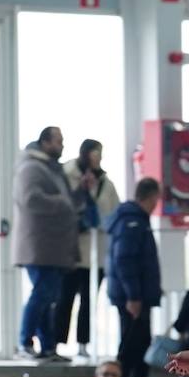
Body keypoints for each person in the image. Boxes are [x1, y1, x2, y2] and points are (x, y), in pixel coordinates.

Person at [12, 126, 86, 359]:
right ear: (45, 142)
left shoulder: (54, 170)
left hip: (55, 248)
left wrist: (81, 191)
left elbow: (71, 203)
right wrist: (62, 202)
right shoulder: (31, 168)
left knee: (49, 297)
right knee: (42, 294)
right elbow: (30, 199)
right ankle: (24, 342)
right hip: (39, 247)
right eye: (58, 141)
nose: (62, 146)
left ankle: (48, 346)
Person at [58, 138, 120, 361]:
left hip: (97, 255)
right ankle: (57, 342)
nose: (99, 159)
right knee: (64, 299)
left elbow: (113, 215)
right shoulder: (66, 176)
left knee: (88, 301)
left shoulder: (106, 184)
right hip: (70, 253)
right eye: (96, 154)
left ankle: (83, 343)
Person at [107, 177, 163, 377]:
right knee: (132, 347)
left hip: (135, 295)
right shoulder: (133, 222)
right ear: (153, 197)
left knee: (139, 347)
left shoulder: (133, 220)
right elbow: (125, 260)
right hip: (133, 297)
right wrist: (134, 296)